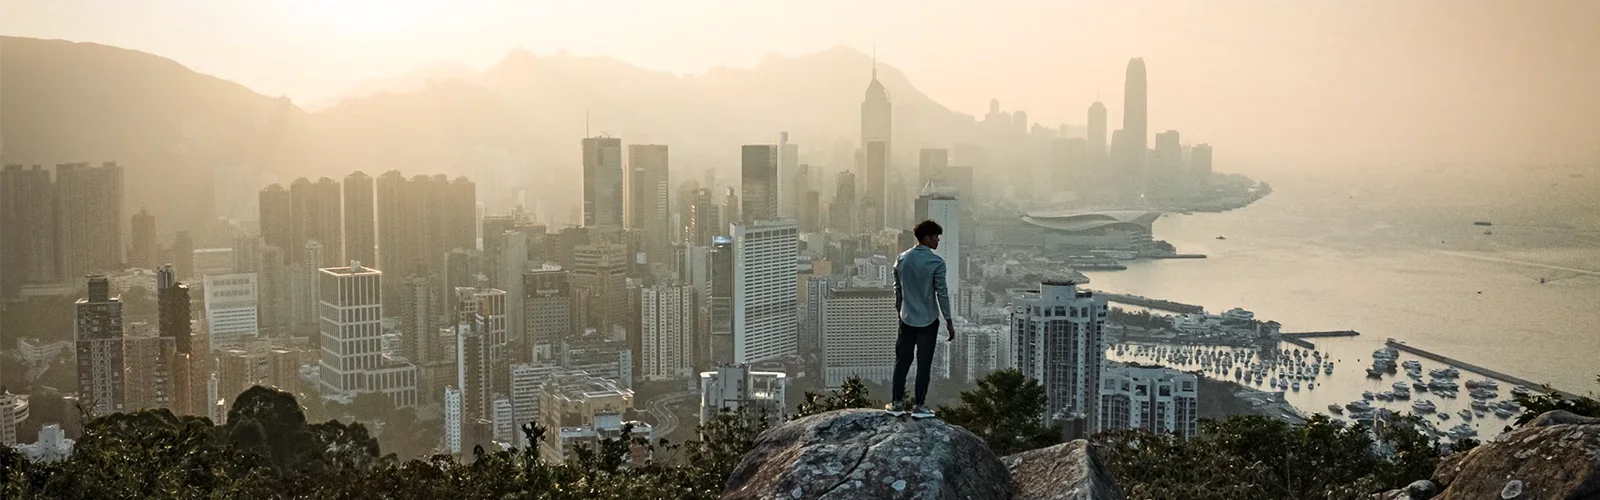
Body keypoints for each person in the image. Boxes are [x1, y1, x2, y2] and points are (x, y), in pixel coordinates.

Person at [888, 219, 955, 414]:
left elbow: (897, 289)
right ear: (927, 238)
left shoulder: (902, 259)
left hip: (906, 319)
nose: (938, 241)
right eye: (936, 237)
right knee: (924, 364)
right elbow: (941, 292)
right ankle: (919, 405)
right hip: (928, 321)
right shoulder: (936, 262)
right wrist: (949, 321)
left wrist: (899, 309)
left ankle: (896, 403)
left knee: (902, 361)